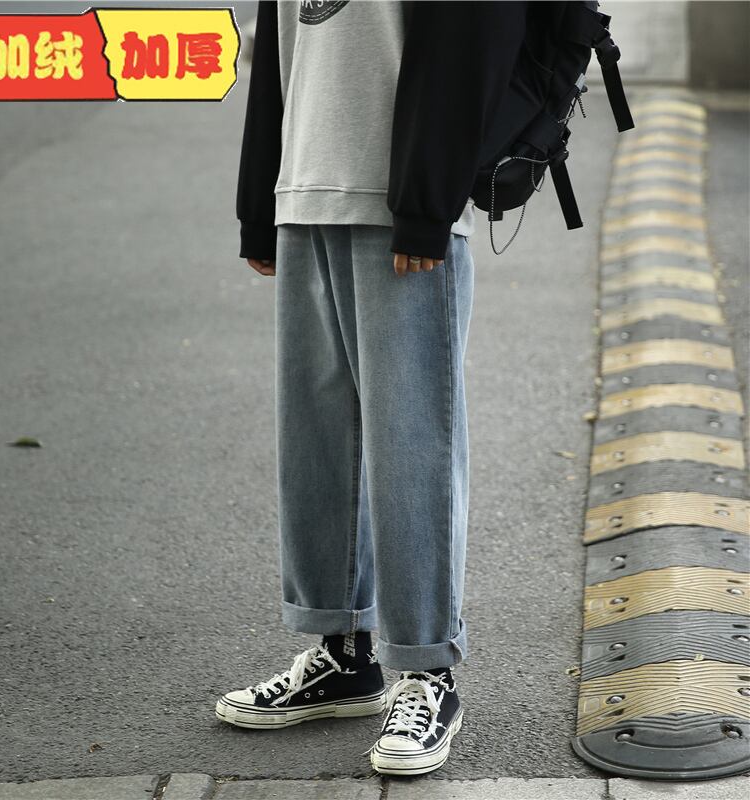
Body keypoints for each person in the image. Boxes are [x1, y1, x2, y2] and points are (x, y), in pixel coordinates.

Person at [216, 0, 526, 776]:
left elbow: (472, 34)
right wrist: (260, 201)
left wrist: (426, 202)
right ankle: (343, 654)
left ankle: (428, 672)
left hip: (402, 195)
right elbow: (280, 47)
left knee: (412, 443)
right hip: (305, 184)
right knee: (316, 438)